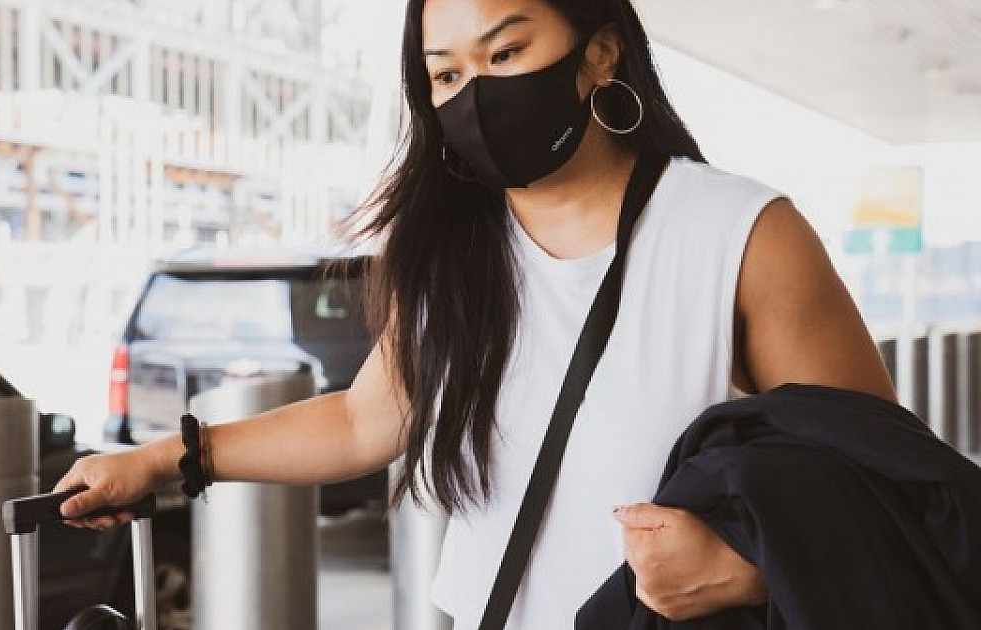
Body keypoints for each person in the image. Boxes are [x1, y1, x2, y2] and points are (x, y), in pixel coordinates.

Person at [53, 0, 897, 627]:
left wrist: (748, 569)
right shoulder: (452, 252)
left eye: (506, 52)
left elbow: (883, 487)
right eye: (448, 75)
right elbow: (361, 421)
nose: (477, 95)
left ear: (602, 52)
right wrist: (164, 460)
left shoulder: (740, 235)